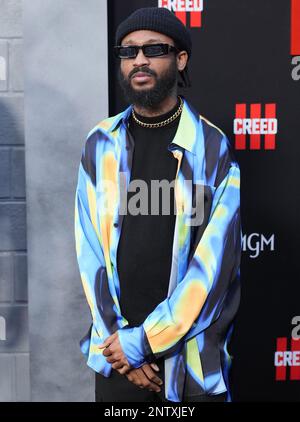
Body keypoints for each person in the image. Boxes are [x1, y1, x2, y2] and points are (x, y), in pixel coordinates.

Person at [74, 7, 242, 403]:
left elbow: (213, 269)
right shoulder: (99, 144)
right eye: (129, 52)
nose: (139, 60)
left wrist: (146, 341)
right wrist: (122, 347)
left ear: (180, 59)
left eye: (153, 49)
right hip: (118, 362)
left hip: (191, 362)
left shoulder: (213, 149)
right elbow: (89, 254)